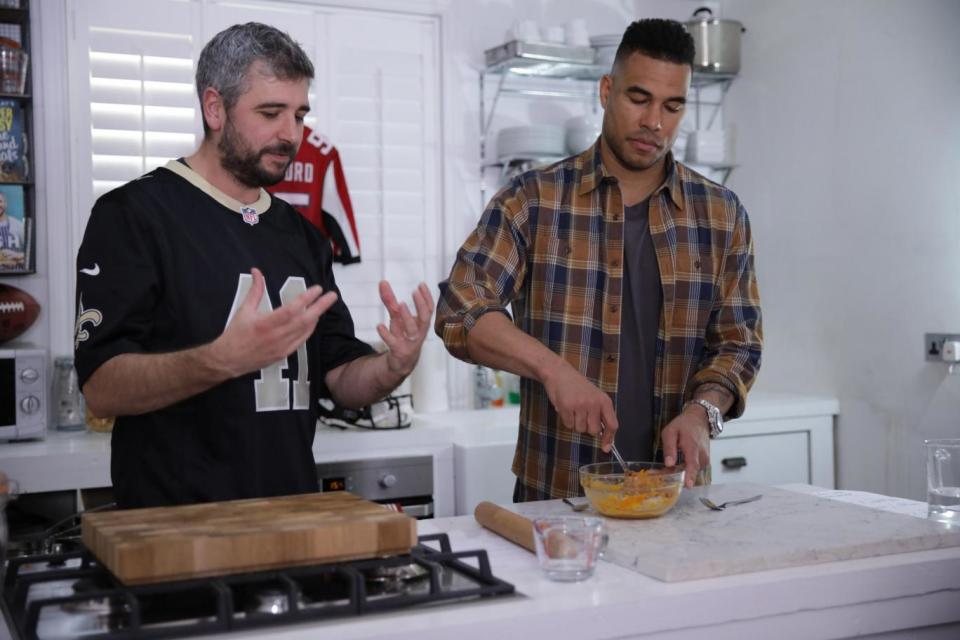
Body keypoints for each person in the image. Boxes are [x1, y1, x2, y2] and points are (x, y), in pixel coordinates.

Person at [74, 23, 434, 509]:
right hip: (175, 539)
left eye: (300, 114)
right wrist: (221, 359)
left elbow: (342, 379)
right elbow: (101, 389)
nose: (292, 134)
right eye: (271, 113)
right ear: (214, 108)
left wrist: (394, 366)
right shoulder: (133, 216)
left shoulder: (303, 236)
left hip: (287, 524)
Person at [435, 18, 762, 501]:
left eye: (672, 107)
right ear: (607, 90)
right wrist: (555, 371)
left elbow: (739, 343)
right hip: (557, 495)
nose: (655, 122)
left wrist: (702, 413)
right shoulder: (532, 200)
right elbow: (460, 309)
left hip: (675, 496)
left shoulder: (722, 214)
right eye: (639, 99)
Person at [0, 191, 25, 269]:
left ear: (5, 204)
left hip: (16, 274)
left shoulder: (18, 225)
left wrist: (18, 255)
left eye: (0, 201)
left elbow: (32, 252)